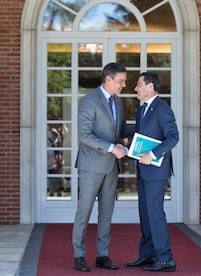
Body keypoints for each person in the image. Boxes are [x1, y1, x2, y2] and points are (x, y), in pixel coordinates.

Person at [72, 62, 133, 272]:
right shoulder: (89, 101)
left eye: (124, 81)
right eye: (121, 81)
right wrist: (110, 147)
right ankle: (79, 255)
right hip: (91, 166)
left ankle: (102, 255)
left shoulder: (118, 102)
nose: (124, 84)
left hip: (111, 167)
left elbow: (121, 130)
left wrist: (144, 127)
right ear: (108, 79)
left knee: (107, 213)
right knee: (84, 211)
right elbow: (84, 135)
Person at [126, 72, 179, 272]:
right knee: (146, 215)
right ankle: (148, 256)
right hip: (143, 170)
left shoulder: (163, 109)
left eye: (139, 85)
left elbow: (173, 137)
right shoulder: (142, 111)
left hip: (156, 172)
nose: (135, 89)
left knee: (155, 215)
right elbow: (138, 132)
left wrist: (153, 154)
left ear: (150, 87)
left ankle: (166, 259)